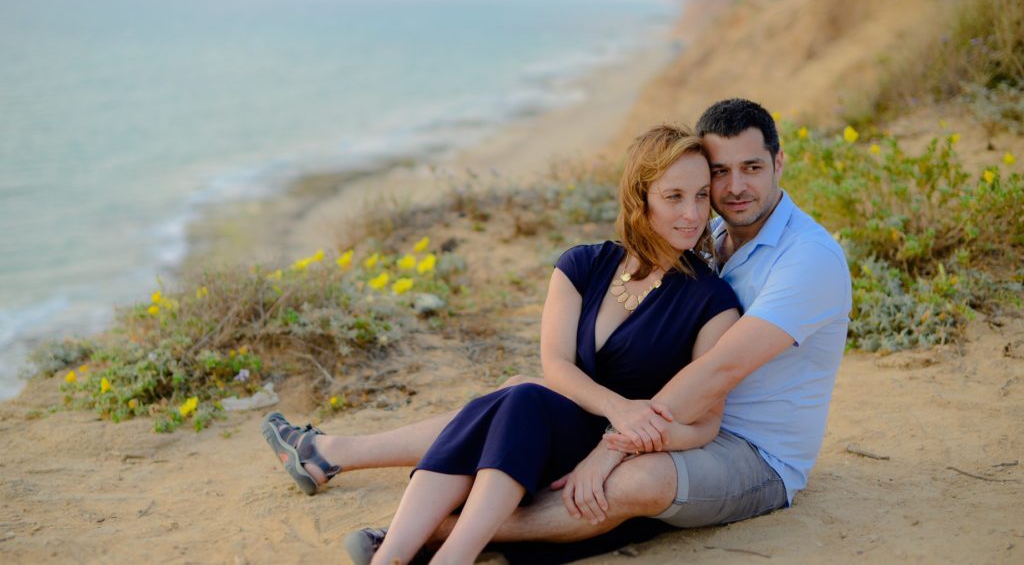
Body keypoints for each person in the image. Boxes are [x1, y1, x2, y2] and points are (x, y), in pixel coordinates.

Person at [262, 98, 853, 564]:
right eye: (718, 175)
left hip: (753, 454)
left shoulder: (807, 259)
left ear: (779, 163)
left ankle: (435, 531)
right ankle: (331, 453)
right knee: (523, 395)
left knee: (634, 477)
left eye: (752, 168)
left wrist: (605, 450)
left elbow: (717, 372)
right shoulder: (719, 240)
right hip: (662, 413)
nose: (730, 190)